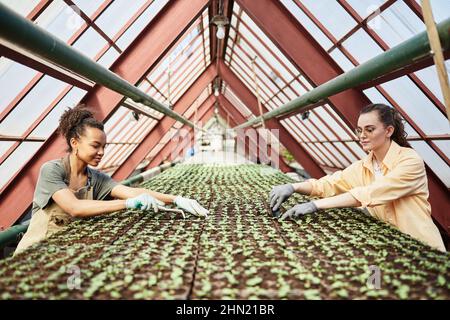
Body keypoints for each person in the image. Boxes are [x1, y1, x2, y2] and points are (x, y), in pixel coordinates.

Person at [15, 105, 209, 254]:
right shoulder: (52, 170)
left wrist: (175, 199)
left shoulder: (96, 178)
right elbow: (75, 208)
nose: (101, 152)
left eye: (104, 147)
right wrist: (128, 204)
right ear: (74, 143)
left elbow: (133, 192)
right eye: (95, 146)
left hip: (65, 254)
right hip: (34, 253)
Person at [269, 103, 445, 252]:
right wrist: (294, 187)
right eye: (359, 130)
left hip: (423, 246)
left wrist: (315, 205)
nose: (362, 136)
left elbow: (371, 193)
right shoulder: (364, 166)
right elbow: (329, 184)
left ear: (389, 130)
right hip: (392, 245)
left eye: (370, 130)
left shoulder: (409, 160)